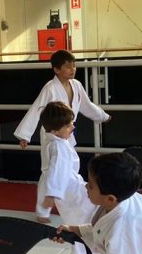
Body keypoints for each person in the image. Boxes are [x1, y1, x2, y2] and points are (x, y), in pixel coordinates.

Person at [14, 50, 110, 222]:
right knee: (49, 171)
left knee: (68, 170)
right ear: (56, 69)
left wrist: (102, 116)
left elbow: (86, 106)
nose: (72, 69)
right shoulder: (50, 88)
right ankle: (43, 210)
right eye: (67, 66)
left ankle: (69, 204)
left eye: (74, 65)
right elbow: (37, 110)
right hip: (51, 135)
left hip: (67, 132)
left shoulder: (77, 85)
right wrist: (25, 135)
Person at [38, 102, 96, 254]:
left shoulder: (52, 141)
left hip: (67, 194)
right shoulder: (58, 146)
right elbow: (57, 171)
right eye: (68, 125)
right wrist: (51, 194)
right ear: (56, 130)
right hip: (72, 193)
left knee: (80, 225)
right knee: (82, 226)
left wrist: (51, 195)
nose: (73, 126)